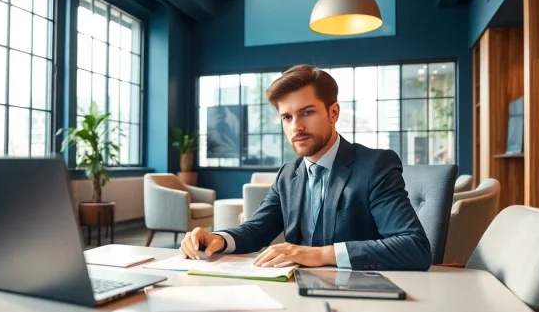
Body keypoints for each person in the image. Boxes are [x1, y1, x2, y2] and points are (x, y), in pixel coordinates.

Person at [179, 65, 432, 271]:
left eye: (307, 112)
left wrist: (321, 254)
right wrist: (218, 239)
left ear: (333, 112)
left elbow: (414, 247)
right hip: (297, 292)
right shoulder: (288, 174)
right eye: (287, 117)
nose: (296, 127)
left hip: (363, 296)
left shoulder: (375, 166)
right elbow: (257, 229)